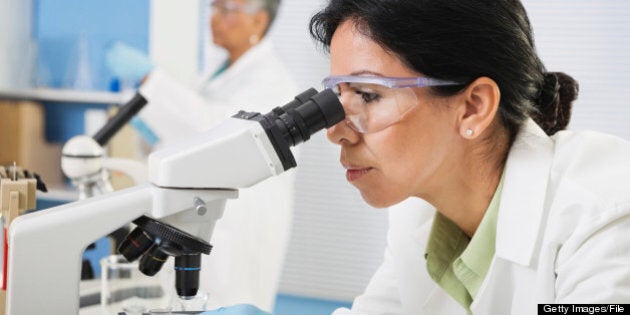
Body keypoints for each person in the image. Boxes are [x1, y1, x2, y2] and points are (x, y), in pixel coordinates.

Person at [201, 0, 630, 314]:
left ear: (473, 107)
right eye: (339, 98)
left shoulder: (604, 212)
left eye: (368, 95)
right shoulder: (420, 220)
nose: (334, 132)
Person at [107, 0, 298, 312]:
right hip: (202, 212)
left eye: (228, 10)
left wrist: (152, 80)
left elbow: (223, 135)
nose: (214, 18)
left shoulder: (272, 81)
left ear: (259, 22)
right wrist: (157, 134)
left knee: (229, 300)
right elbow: (194, 133)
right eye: (214, 7)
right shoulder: (216, 71)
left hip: (241, 221)